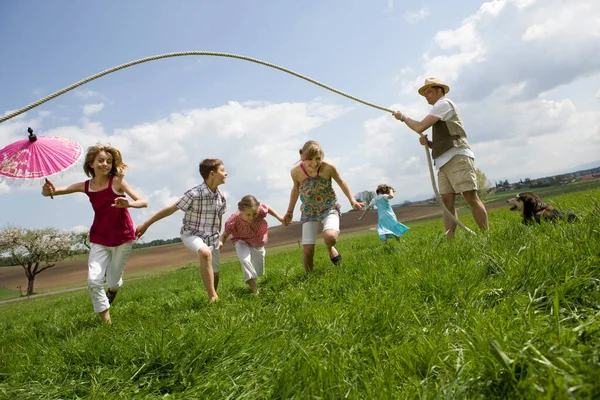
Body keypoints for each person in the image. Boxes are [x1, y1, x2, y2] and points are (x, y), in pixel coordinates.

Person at [41, 144, 147, 323]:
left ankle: (113, 289)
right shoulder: (86, 186)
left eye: (109, 161)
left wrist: (128, 204)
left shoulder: (117, 181)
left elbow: (143, 201)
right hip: (100, 238)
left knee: (113, 283)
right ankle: (106, 323)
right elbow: (57, 191)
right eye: (100, 160)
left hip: (123, 237)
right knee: (93, 281)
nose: (105, 164)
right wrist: (47, 191)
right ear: (91, 164)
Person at [392, 77, 488, 240]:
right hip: (443, 161)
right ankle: (450, 243)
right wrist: (429, 143)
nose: (426, 95)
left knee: (470, 197)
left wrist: (403, 117)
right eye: (425, 93)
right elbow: (441, 141)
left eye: (429, 91)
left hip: (458, 155)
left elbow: (420, 126)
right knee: (446, 203)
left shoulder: (444, 104)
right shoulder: (437, 110)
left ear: (440, 91)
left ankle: (487, 236)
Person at [135, 159, 227, 304]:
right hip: (192, 234)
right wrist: (146, 224)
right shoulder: (194, 194)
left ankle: (213, 297)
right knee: (204, 253)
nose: (225, 173)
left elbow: (219, 219)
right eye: (222, 170)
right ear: (212, 174)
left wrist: (218, 237)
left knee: (215, 271)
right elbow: (171, 209)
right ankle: (213, 297)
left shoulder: (221, 197)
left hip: (212, 237)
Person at [283, 140, 365, 272]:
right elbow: (295, 190)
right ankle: (309, 278)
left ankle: (329, 246)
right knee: (308, 250)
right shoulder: (295, 172)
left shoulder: (328, 168)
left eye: (318, 158)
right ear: (301, 156)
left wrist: (352, 200)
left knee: (330, 237)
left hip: (329, 207)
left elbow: (341, 182)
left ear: (322, 156)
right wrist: (290, 211)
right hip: (309, 211)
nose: (314, 163)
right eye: (309, 159)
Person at [219, 195, 284, 294]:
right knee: (245, 260)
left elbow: (268, 208)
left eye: (254, 214)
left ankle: (254, 278)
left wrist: (280, 218)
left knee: (258, 270)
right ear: (240, 211)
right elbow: (224, 235)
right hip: (241, 240)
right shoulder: (233, 221)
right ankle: (255, 291)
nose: (252, 217)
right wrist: (220, 242)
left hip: (258, 240)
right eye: (248, 215)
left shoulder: (261, 211)